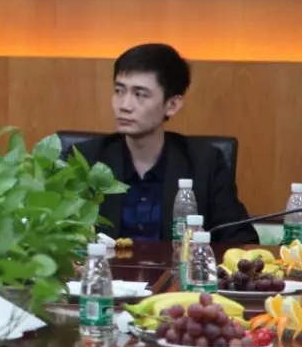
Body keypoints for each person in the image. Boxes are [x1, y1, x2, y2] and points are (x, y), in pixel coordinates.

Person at [71, 43, 256, 244]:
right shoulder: (85, 160)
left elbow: (241, 240)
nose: (124, 105)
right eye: (119, 91)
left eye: (140, 94)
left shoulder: (205, 163)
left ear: (172, 105)